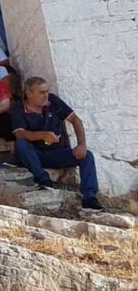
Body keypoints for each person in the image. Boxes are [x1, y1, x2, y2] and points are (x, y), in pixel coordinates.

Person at [11, 77, 103, 212]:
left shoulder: (53, 101)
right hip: (33, 154)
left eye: (47, 91)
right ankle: (44, 181)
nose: (46, 95)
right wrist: (43, 135)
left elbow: (75, 120)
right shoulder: (19, 107)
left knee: (86, 155)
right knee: (21, 144)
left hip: (55, 153)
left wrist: (81, 144)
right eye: (41, 92)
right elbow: (20, 133)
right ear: (29, 93)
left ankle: (90, 198)